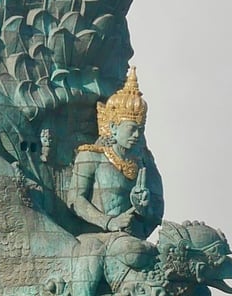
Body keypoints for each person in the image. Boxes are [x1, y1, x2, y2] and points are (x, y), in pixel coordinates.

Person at [64, 65, 163, 236]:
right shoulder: (90, 156)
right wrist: (108, 222)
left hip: (130, 239)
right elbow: (75, 200)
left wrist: (143, 209)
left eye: (140, 129)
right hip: (97, 239)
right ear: (113, 127)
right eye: (131, 129)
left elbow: (156, 213)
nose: (137, 135)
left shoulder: (143, 163)